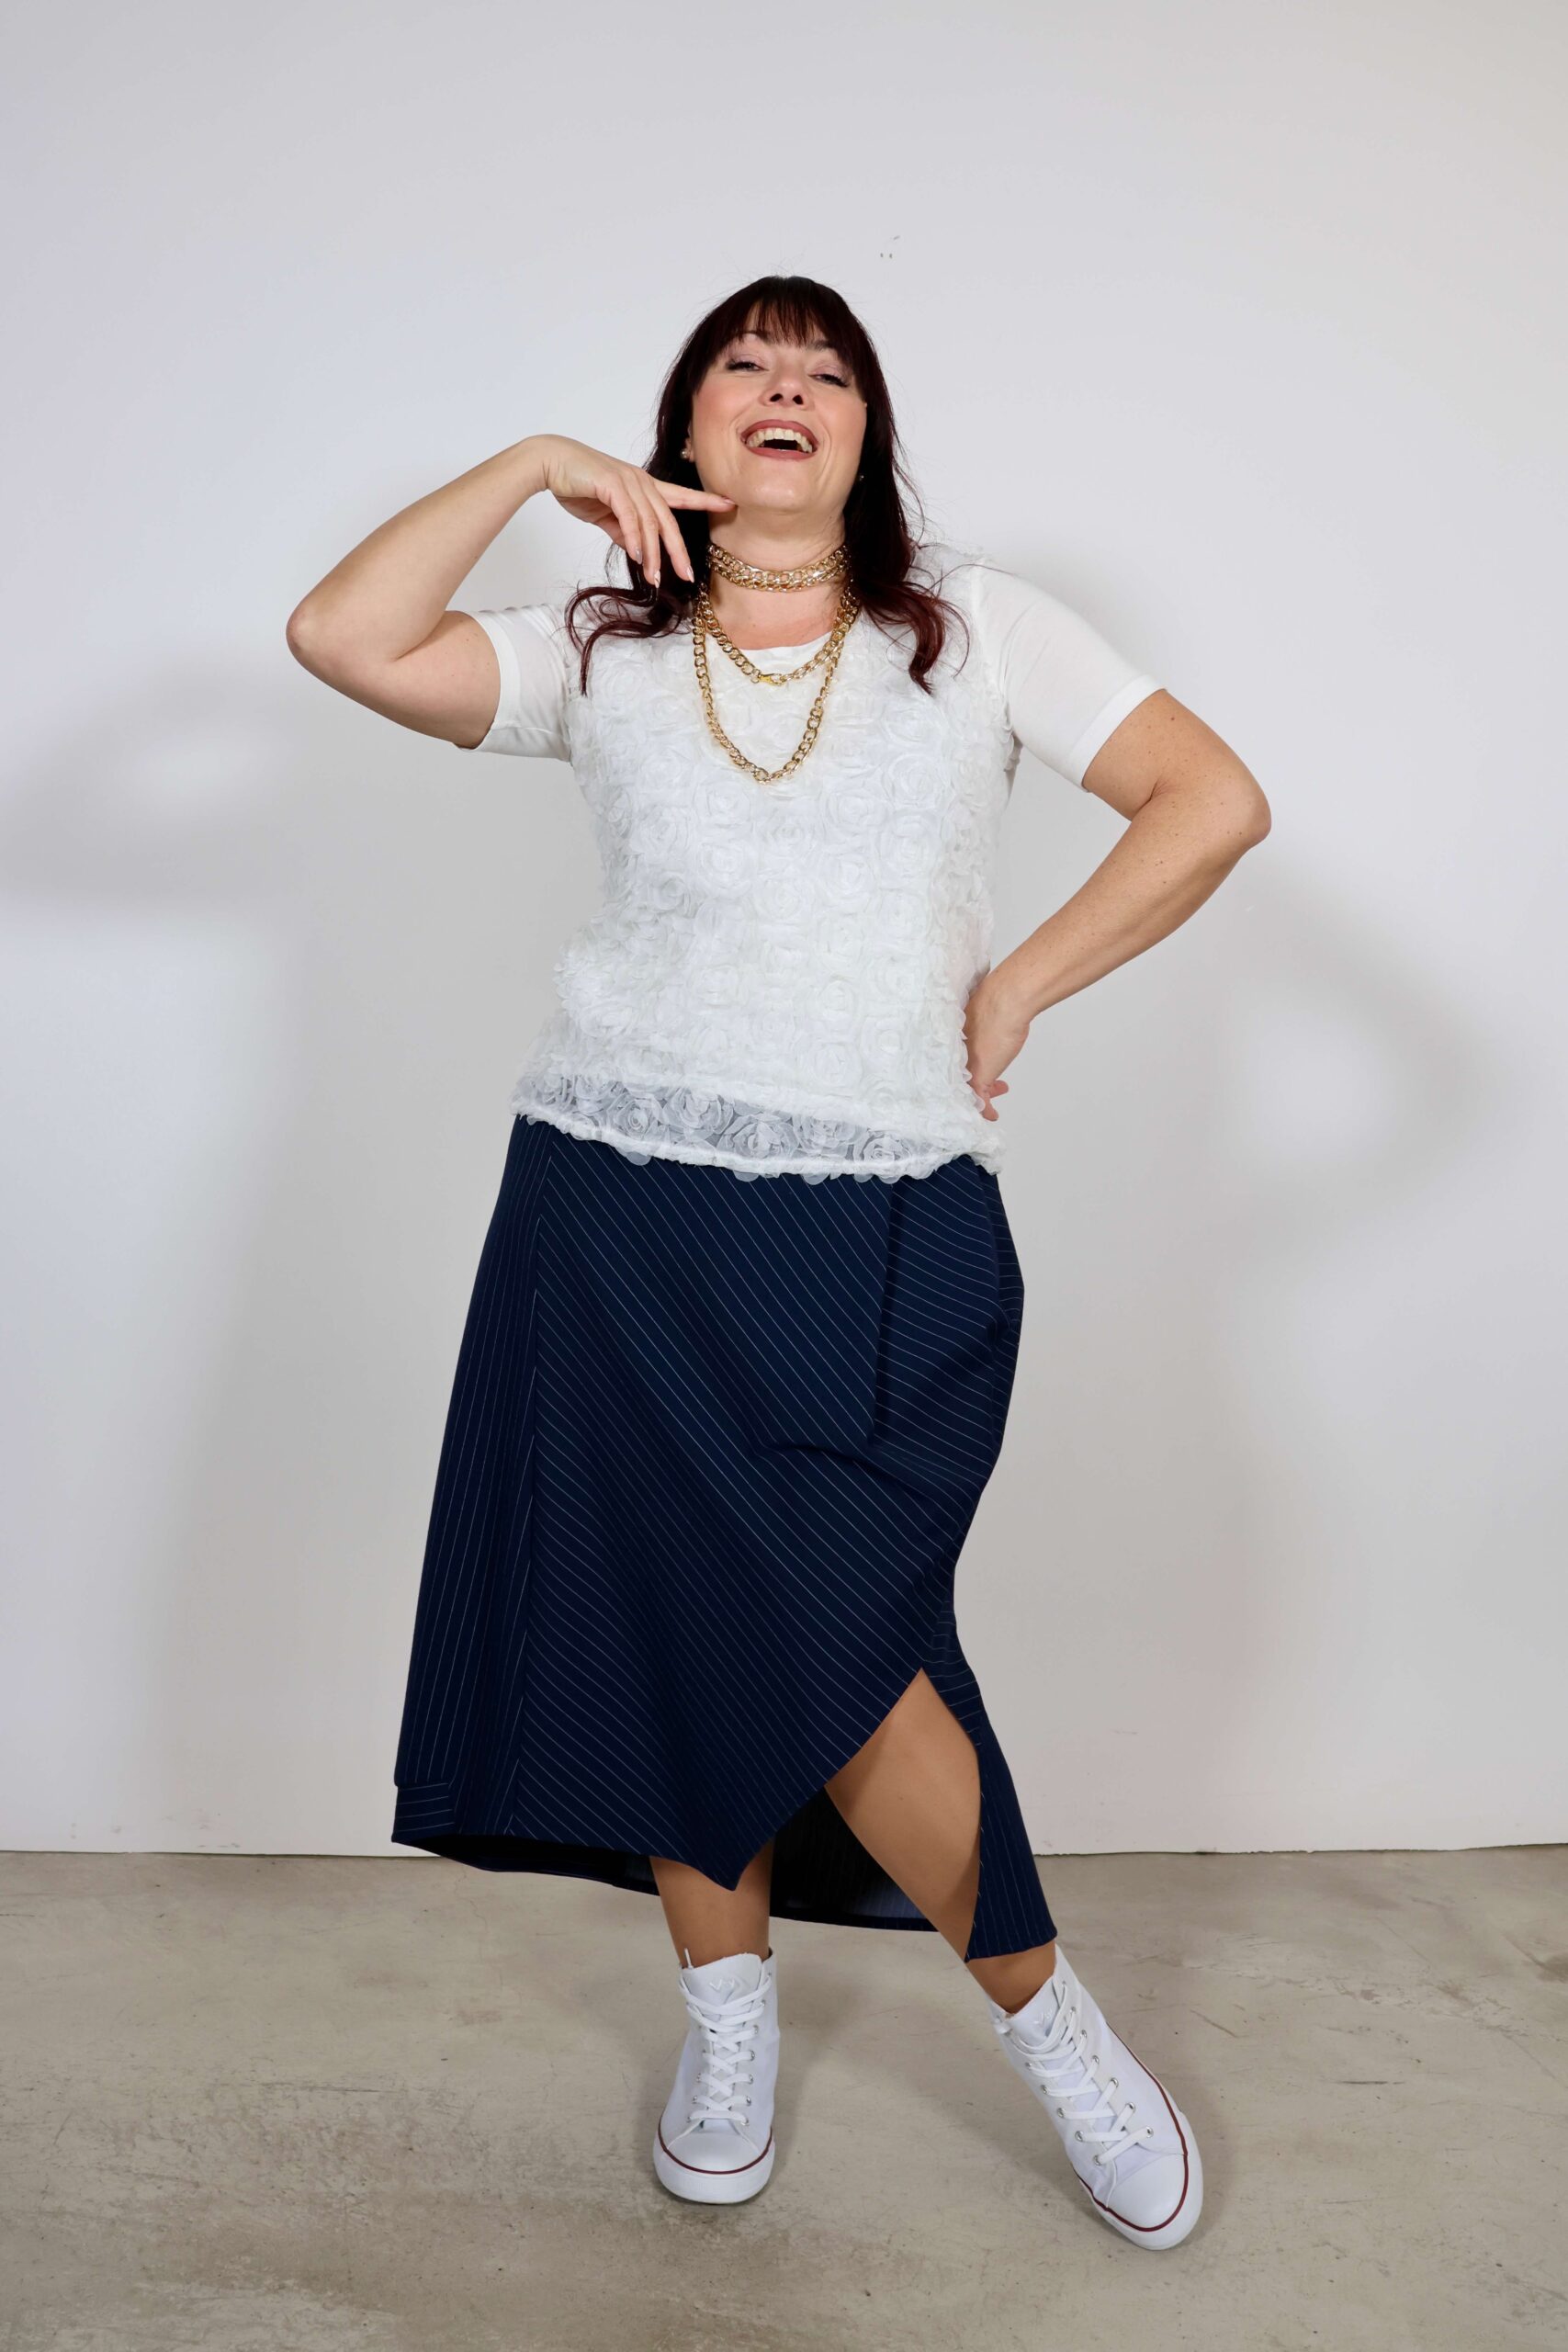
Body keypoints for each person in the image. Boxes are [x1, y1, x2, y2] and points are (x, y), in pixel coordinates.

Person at [286, 274, 1269, 2251]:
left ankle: (1054, 2028)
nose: (785, 387)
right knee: (668, 1628)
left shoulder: (974, 625)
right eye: (745, 362)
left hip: (881, 1213)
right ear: (684, 426)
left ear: (867, 431)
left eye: (825, 369)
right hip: (613, 1213)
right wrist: (531, 466)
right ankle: (725, 2023)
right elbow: (343, 636)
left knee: (857, 1653)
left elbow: (1211, 801)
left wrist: (1018, 981)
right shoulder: (599, 645)